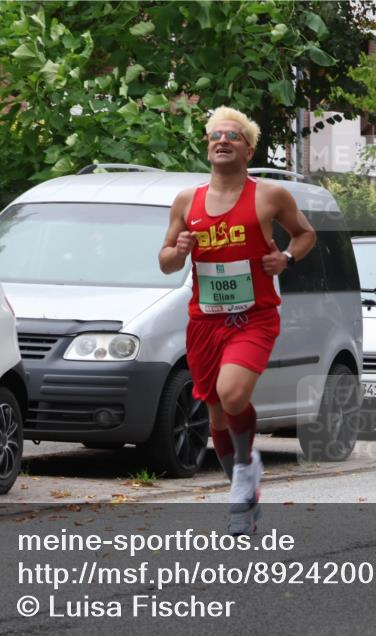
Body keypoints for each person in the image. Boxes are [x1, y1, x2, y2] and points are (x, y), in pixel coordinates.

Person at [159, 107, 316, 535]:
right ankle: (243, 494)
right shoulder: (186, 202)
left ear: (248, 149)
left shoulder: (268, 196)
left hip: (253, 317)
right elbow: (166, 261)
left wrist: (285, 258)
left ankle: (246, 469)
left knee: (231, 395)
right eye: (215, 136)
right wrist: (181, 249)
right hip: (204, 322)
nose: (222, 140)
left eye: (232, 135)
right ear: (208, 147)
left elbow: (306, 234)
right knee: (215, 415)